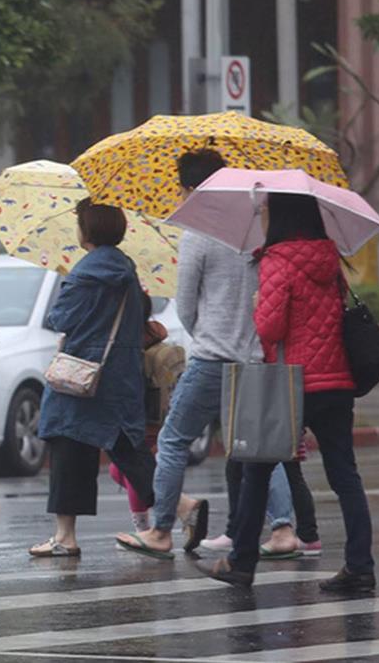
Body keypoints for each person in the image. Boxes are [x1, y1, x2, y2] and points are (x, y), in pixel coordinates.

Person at [198, 193, 373, 592]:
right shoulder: (329, 261)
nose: (260, 216)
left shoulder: (277, 261)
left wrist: (260, 305)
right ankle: (360, 565)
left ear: (280, 215)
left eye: (263, 209)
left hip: (291, 383)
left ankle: (241, 563)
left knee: (256, 469)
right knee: (345, 475)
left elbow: (271, 329)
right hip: (335, 383)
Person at [115, 149, 247, 559]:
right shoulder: (251, 230)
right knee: (253, 448)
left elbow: (185, 305)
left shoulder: (198, 234)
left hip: (212, 356)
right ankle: (282, 529)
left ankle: (160, 530)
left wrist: (205, 335)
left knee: (172, 442)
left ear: (190, 188)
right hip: (252, 357)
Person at [29, 198, 156, 558]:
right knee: (125, 447)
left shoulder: (85, 273)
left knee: (68, 442)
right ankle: (180, 505)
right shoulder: (126, 270)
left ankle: (66, 535)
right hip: (122, 372)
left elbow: (60, 319)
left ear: (87, 230)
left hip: (83, 373)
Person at [111, 291, 182, 533]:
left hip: (141, 419)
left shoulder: (129, 342)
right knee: (122, 470)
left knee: (133, 471)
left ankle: (144, 528)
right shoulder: (154, 334)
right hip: (158, 417)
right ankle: (171, 503)